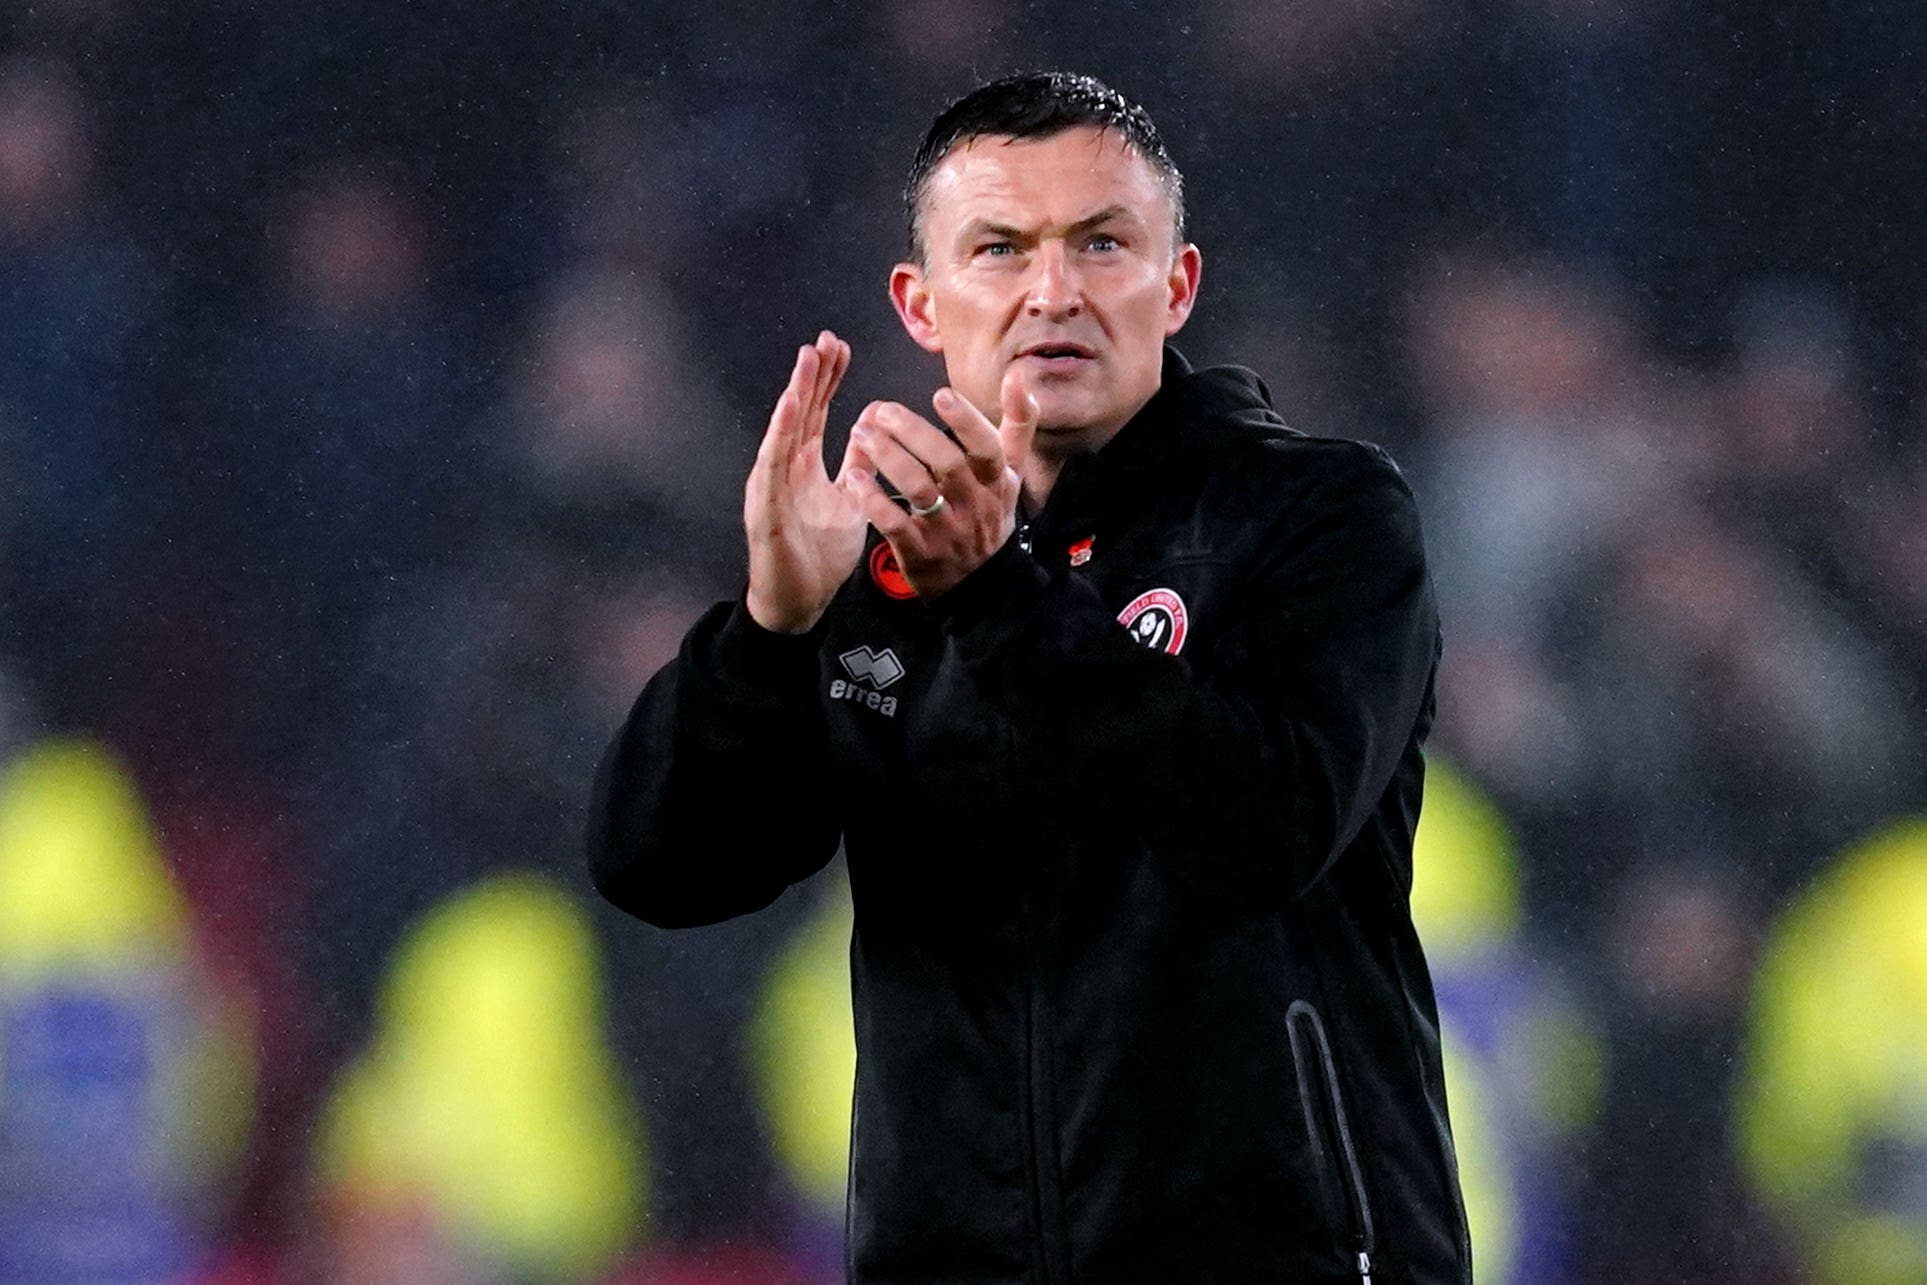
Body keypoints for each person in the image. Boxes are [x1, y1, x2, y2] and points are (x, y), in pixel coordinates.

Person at [590, 71, 1468, 1284]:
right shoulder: (878, 576)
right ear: (921, 303)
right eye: (999, 249)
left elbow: (1265, 823)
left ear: (1177, 284)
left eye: (1101, 243)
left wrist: (998, 596)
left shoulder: (1316, 518)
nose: (1053, 292)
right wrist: (771, 624)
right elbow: (662, 867)